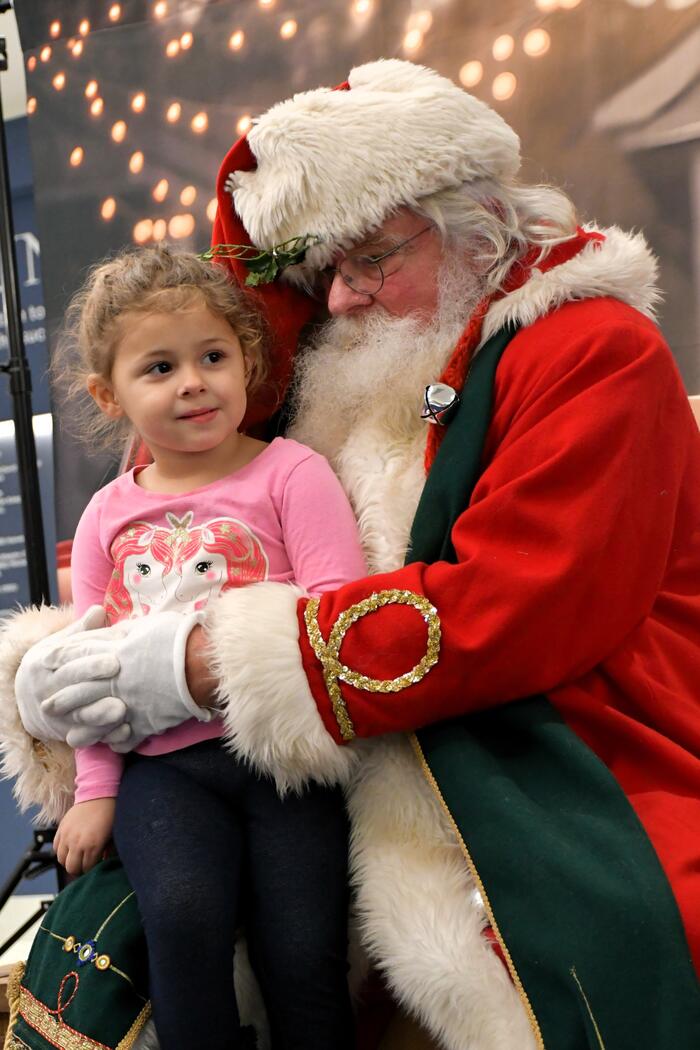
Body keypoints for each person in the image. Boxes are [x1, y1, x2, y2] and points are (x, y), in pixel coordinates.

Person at [2, 58, 699, 1050]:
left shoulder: (590, 352)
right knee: (139, 955)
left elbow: (523, 605)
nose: (339, 300)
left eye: (370, 259)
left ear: (477, 225)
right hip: (283, 771)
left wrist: (200, 665)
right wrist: (61, 673)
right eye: (322, 270)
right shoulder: (318, 371)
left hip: (548, 747)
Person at [36, 245, 366, 1050]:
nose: (192, 382)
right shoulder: (107, 517)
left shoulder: (293, 475)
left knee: (302, 950)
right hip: (165, 772)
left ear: (246, 364)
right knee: (181, 930)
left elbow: (336, 614)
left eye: (212, 357)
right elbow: (94, 670)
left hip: (284, 763)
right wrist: (95, 790)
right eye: (159, 368)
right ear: (109, 396)